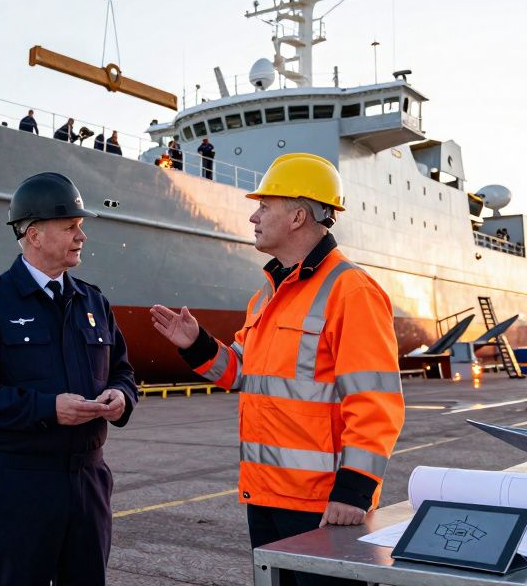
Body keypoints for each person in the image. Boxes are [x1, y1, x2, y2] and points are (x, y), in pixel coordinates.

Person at [150, 153, 404, 586]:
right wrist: (196, 345)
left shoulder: (351, 291)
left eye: (265, 206)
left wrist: (354, 492)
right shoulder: (268, 294)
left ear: (298, 216)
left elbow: (375, 401)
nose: (253, 215)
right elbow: (243, 372)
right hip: (267, 496)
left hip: (324, 505)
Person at [0, 172, 138, 586]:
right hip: (20, 486)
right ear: (34, 234)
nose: (81, 236)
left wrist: (121, 398)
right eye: (71, 226)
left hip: (88, 484)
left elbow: (123, 371)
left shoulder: (93, 300)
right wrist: (47, 409)